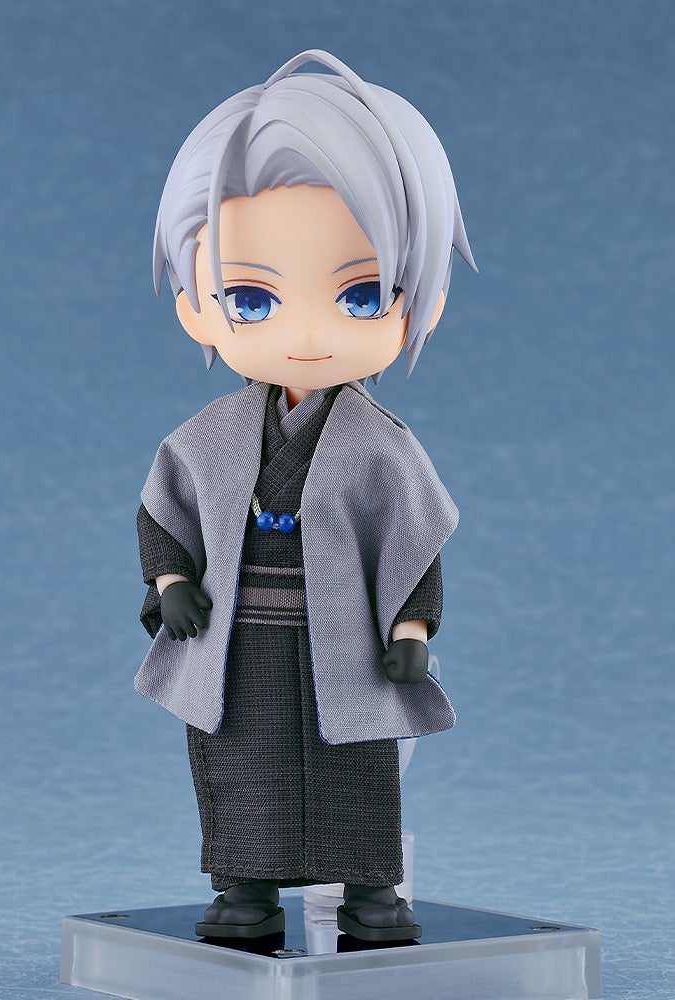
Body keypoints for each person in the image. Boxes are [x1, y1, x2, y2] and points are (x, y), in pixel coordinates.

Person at [135, 48, 476, 942]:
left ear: (421, 304)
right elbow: (163, 515)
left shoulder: (380, 445)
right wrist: (173, 584)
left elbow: (414, 545)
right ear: (197, 307)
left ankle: (371, 895)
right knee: (242, 766)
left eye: (362, 295)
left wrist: (411, 632)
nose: (310, 334)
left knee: (355, 767)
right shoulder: (206, 439)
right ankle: (244, 893)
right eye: (252, 299)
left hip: (347, 644)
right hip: (237, 636)